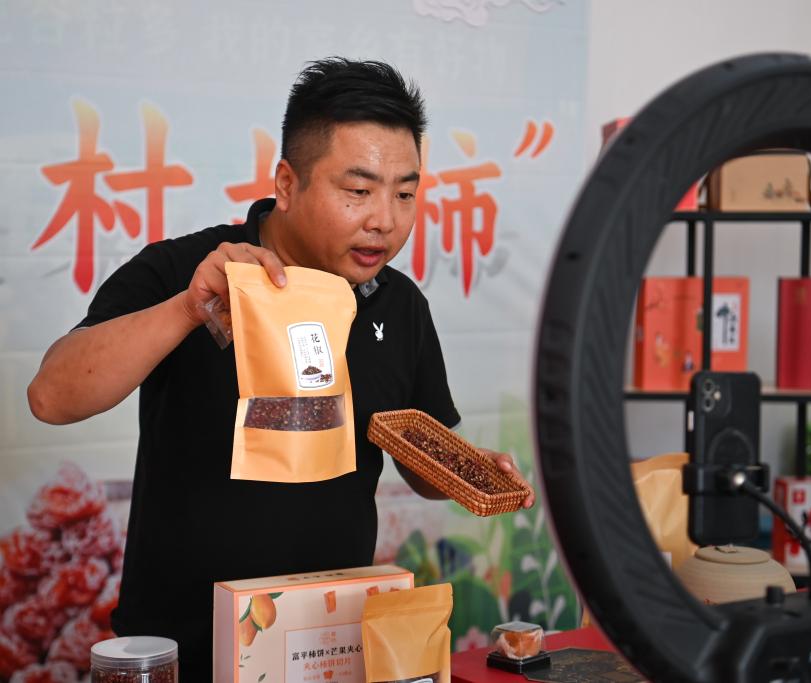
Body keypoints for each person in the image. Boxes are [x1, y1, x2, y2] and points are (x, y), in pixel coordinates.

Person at [27, 57, 534, 679]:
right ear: (288, 184)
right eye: (358, 191)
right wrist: (188, 309)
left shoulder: (399, 305)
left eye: (405, 194)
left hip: (330, 648)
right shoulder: (188, 272)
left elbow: (416, 460)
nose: (385, 219)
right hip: (186, 650)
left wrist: (465, 470)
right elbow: (51, 396)